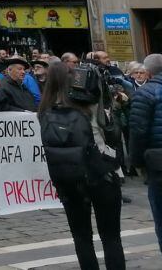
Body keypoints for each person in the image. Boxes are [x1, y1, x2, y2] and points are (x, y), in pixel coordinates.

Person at [40, 60, 125, 270]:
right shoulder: (89, 103)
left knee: (81, 236)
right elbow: (112, 133)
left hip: (68, 176)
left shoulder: (44, 109)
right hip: (100, 173)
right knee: (111, 236)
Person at [128, 52, 162, 255]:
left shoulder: (145, 93)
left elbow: (138, 130)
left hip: (158, 162)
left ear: (147, 72)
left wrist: (137, 161)